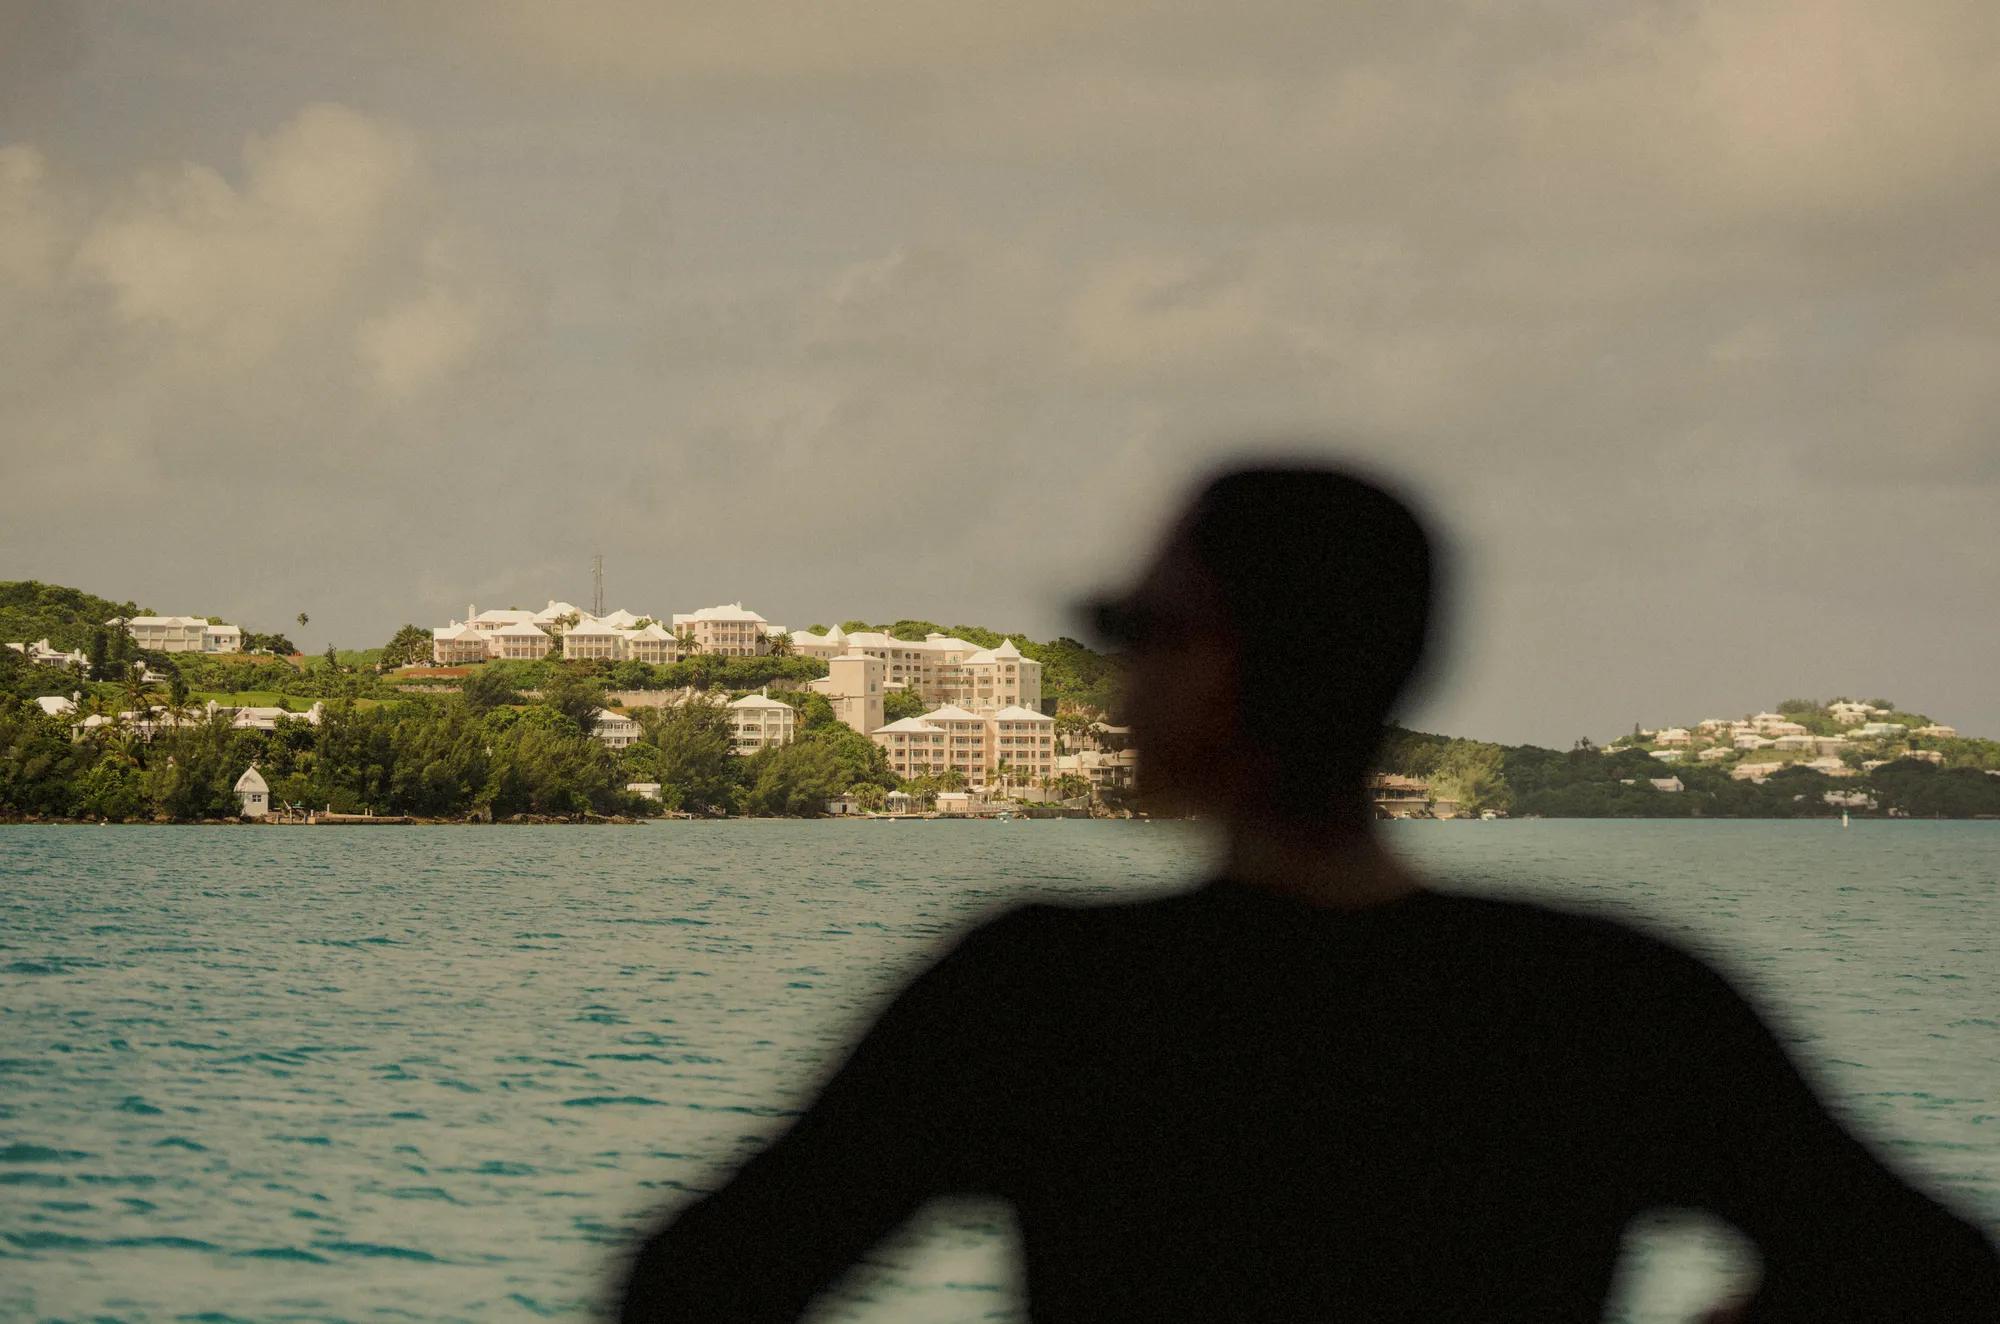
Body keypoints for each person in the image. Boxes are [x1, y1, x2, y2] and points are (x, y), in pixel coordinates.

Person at [617, 463, 1999, 1321]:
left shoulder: (1047, 994)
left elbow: (694, 1285)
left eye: (1139, 630)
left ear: (1233, 661)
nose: (1117, 677)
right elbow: (1930, 1277)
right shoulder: (1604, 999)